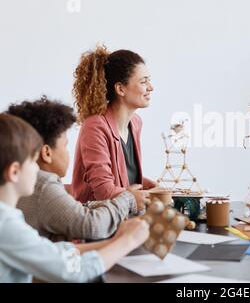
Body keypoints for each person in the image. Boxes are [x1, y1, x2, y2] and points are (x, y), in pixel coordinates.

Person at [0, 113, 149, 283]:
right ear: (14, 172)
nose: (36, 168)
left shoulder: (9, 218)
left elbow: (51, 252)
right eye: (33, 161)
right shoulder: (6, 226)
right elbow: (73, 271)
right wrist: (128, 241)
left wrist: (115, 241)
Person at [7, 97, 149, 241]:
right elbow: (91, 225)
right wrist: (127, 200)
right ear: (47, 153)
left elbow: (75, 210)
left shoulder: (26, 188)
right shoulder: (44, 186)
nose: (69, 152)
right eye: (65, 146)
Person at [71, 45, 157, 203]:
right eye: (144, 82)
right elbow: (104, 190)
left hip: (124, 216)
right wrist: (136, 197)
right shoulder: (95, 126)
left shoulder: (136, 123)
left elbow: (122, 177)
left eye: (149, 81)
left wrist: (150, 186)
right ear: (120, 89)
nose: (151, 87)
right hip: (96, 221)